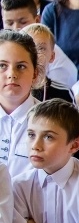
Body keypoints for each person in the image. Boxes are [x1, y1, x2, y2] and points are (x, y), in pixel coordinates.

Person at [0, 30, 39, 179]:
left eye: (21, 66)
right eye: (2, 65)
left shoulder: (50, 121)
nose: (12, 74)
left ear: (35, 73)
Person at [19, 23, 74, 104]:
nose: (35, 53)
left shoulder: (63, 93)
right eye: (28, 47)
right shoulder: (8, 88)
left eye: (41, 48)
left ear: (52, 56)